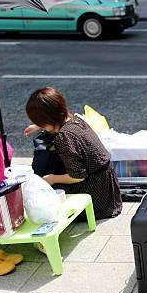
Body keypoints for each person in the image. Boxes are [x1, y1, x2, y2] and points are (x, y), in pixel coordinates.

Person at [24, 87, 122, 221]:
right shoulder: (75, 120)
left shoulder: (64, 137)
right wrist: (39, 125)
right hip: (107, 187)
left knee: (47, 196)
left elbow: (78, 176)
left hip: (98, 197)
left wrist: (52, 178)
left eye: (40, 121)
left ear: (48, 119)